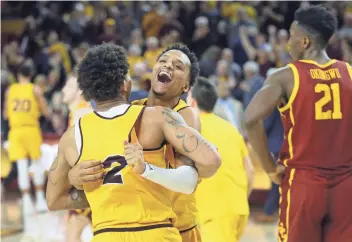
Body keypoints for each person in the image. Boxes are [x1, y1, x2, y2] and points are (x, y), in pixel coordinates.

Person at [45, 43, 221, 242]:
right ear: (126, 84)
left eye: (178, 66)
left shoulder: (185, 115)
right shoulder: (140, 111)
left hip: (180, 223)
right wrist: (75, 177)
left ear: (186, 87)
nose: (168, 66)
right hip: (155, 226)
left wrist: (147, 171)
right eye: (162, 61)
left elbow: (198, 172)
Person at [244, 6, 352, 242]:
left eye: (291, 37)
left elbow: (250, 119)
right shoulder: (350, 73)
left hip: (304, 182)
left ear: (304, 41)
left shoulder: (285, 76)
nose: (288, 43)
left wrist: (270, 169)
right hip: (346, 185)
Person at [187, 77, 254, 242]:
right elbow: (250, 171)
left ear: (193, 103)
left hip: (214, 215)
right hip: (237, 210)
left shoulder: (192, 130)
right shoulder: (230, 129)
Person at [3, 61, 50, 215]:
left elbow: (5, 114)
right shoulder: (35, 89)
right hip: (31, 129)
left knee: (22, 166)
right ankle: (40, 199)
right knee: (36, 164)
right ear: (31, 75)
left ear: (18, 75)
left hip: (15, 131)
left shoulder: (10, 90)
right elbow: (46, 111)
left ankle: (26, 201)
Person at [61, 71, 93, 242]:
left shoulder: (82, 114)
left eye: (69, 86)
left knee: (72, 233)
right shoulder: (77, 113)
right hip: (85, 183)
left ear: (80, 91)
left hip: (87, 185)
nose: (63, 90)